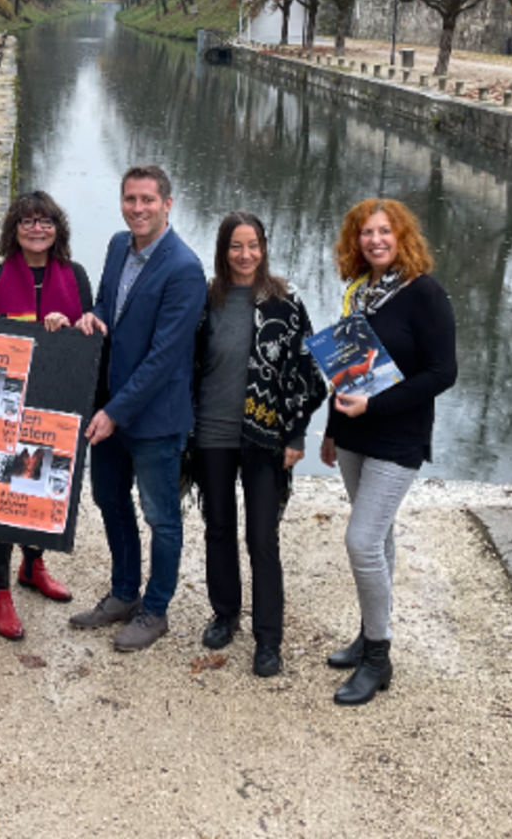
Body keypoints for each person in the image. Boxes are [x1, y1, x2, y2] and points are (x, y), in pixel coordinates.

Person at [320, 198, 457, 705]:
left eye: (384, 232)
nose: (374, 241)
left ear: (403, 237)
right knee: (380, 538)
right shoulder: (359, 293)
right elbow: (348, 369)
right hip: (355, 436)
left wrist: (372, 406)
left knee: (361, 541)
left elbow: (443, 374)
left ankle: (379, 657)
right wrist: (334, 428)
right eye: (365, 233)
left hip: (398, 439)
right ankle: (367, 632)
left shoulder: (425, 294)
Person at [72, 165, 206, 652]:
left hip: (152, 419)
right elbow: (110, 305)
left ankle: (155, 610)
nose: (138, 208)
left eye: (148, 200)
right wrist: (95, 317)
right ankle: (124, 593)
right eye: (130, 199)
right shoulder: (115, 246)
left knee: (161, 517)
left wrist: (114, 413)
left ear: (168, 204)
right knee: (109, 501)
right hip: (109, 409)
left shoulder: (184, 268)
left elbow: (163, 357)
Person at [193, 211, 327, 677]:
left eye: (253, 246)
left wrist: (296, 433)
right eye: (236, 246)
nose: (245, 255)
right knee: (219, 527)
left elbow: (310, 374)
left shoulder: (286, 303)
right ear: (223, 250)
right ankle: (225, 612)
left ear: (264, 248)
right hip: (211, 430)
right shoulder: (207, 298)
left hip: (266, 436)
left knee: (262, 537)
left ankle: (269, 638)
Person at [0, 192, 94, 640]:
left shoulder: (76, 276)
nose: (37, 228)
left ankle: (33, 564)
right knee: (2, 493)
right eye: (27, 221)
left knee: (43, 488)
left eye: (46, 221)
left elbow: (91, 334)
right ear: (15, 229)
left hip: (57, 395)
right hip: (7, 403)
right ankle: (0, 591)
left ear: (57, 227)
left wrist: (76, 326)